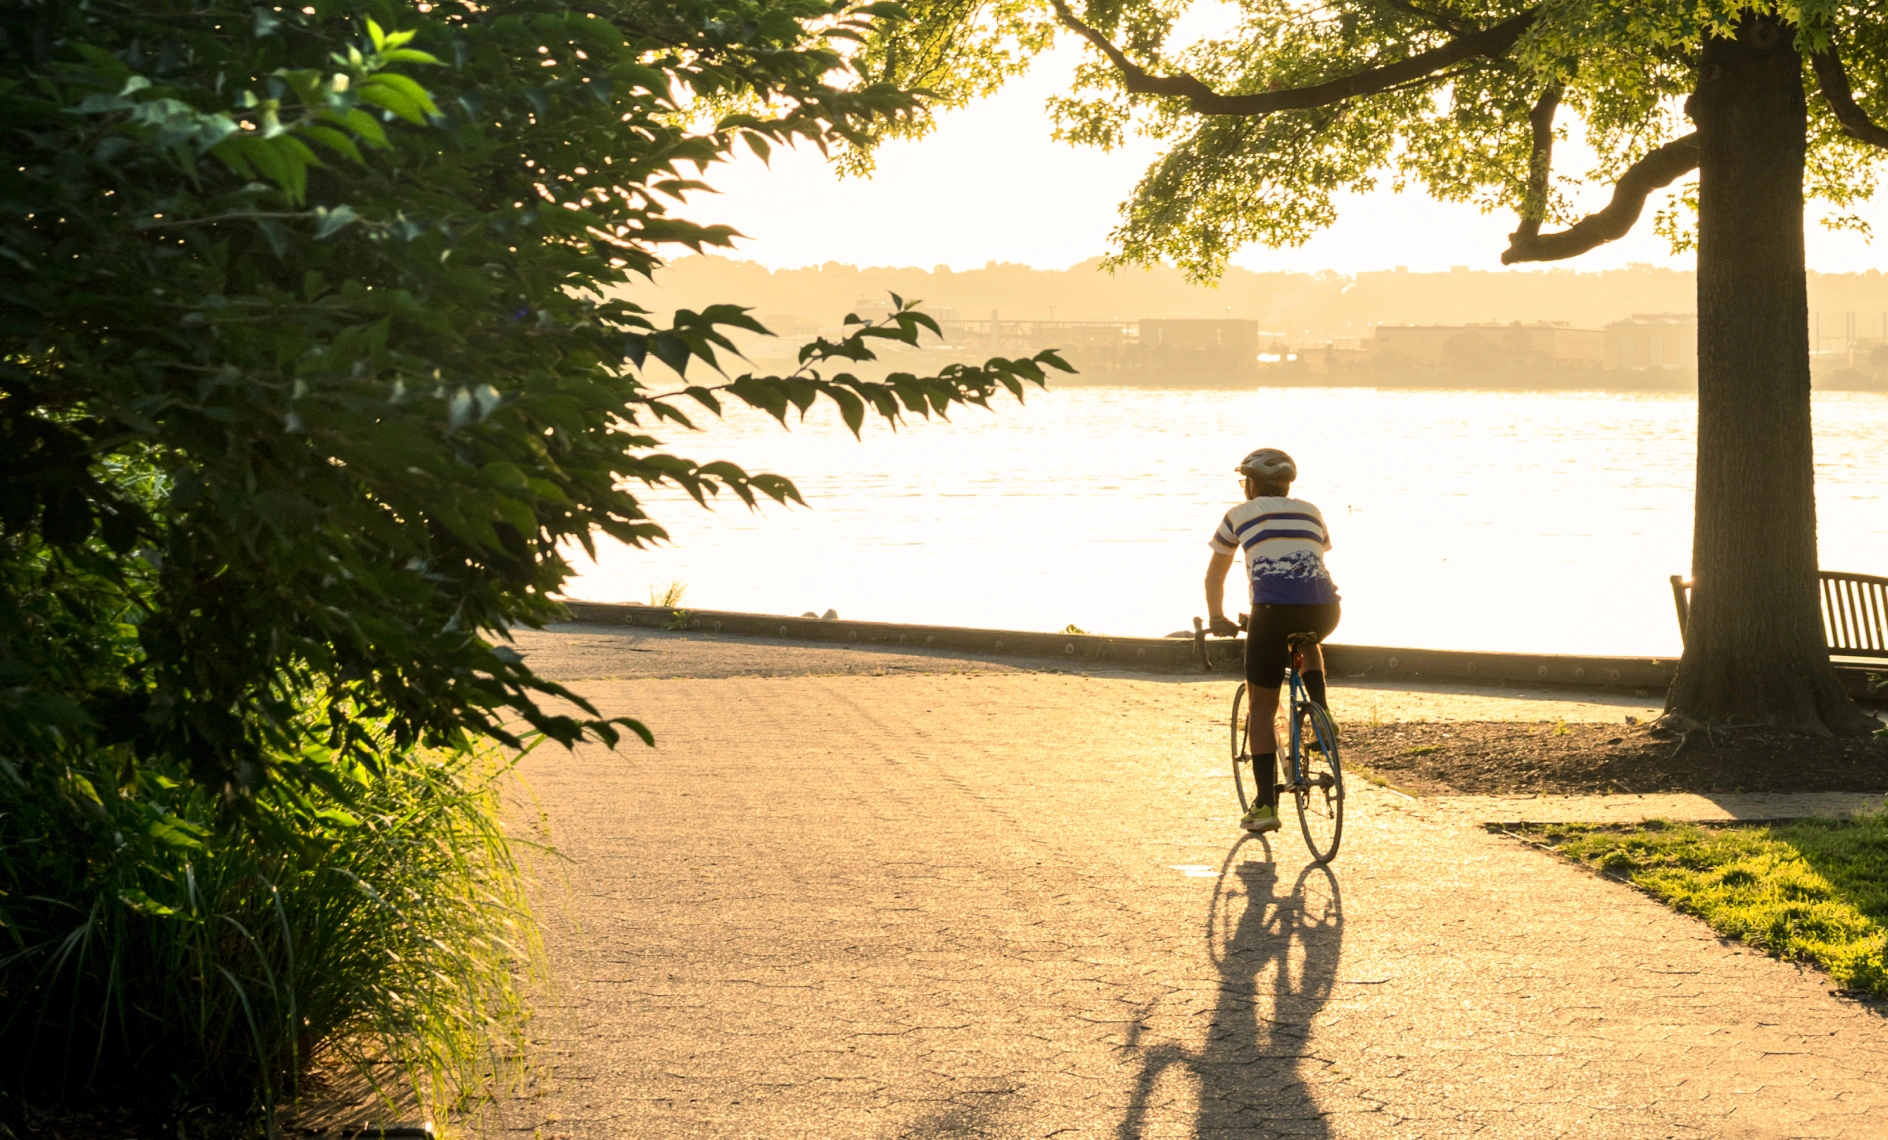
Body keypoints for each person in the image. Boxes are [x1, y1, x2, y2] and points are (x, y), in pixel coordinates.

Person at [1204, 448, 1341, 833]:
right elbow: (1311, 562)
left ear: (1250, 484)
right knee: (1306, 638)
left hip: (1271, 614)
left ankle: (1265, 805)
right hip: (1326, 610)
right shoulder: (1312, 511)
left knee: (1261, 706)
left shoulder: (1236, 515)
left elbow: (1215, 577)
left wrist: (1217, 619)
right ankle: (1321, 709)